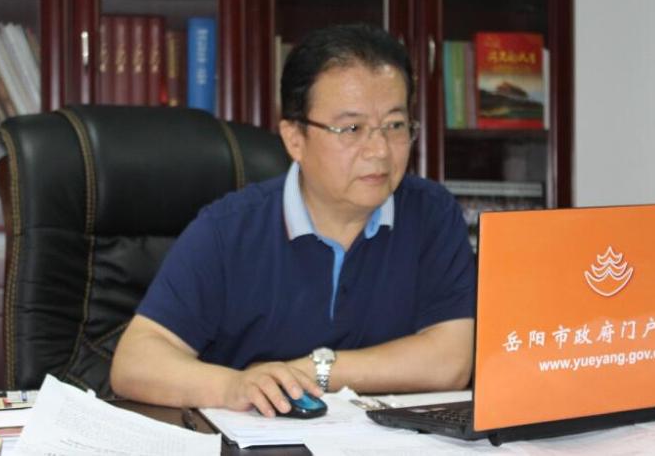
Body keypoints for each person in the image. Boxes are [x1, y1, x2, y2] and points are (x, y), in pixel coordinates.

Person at [110, 23, 476, 418]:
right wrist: (235, 385)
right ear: (294, 139)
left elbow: (450, 361)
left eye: (395, 125)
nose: (380, 151)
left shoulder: (431, 214)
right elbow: (135, 362)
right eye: (352, 128)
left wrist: (311, 371)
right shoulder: (228, 229)